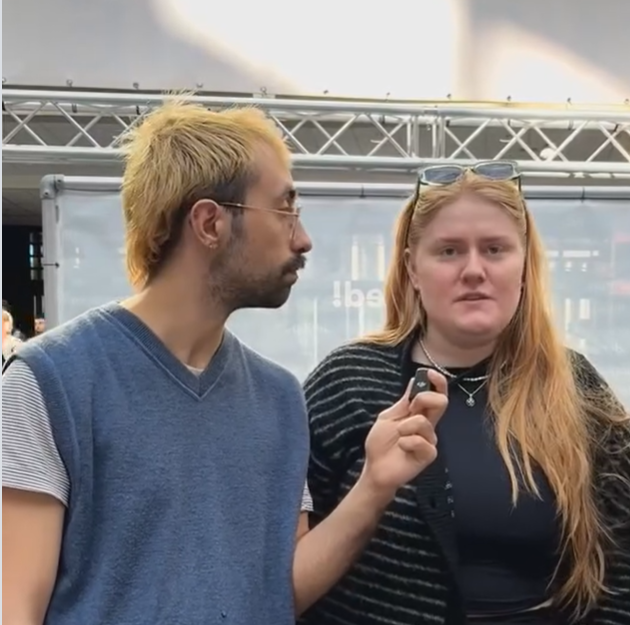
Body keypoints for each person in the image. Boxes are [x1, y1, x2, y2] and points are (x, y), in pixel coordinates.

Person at [2, 100, 448, 625]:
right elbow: (15, 608)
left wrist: (374, 484)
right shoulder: (48, 382)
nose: (303, 239)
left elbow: (277, 592)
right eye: (285, 209)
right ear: (210, 222)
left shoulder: (279, 397)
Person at [301, 161, 630, 625]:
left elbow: (629, 552)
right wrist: (372, 488)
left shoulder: (575, 385)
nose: (474, 270)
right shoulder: (348, 382)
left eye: (495, 250)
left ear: (524, 267)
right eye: (448, 251)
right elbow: (281, 564)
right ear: (413, 269)